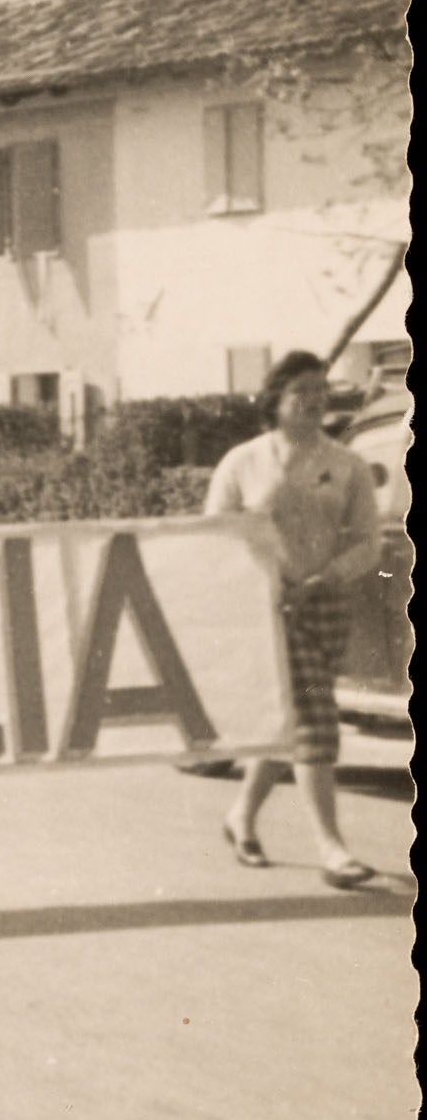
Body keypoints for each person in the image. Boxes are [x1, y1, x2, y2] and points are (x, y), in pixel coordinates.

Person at [208, 351, 384, 891]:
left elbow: (368, 542)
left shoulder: (348, 464)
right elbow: (214, 536)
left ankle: (241, 816)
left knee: (291, 723)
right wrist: (260, 582)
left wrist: (329, 576)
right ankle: (332, 849)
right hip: (266, 611)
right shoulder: (243, 462)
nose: (313, 400)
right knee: (315, 720)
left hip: (324, 605)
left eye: (320, 389)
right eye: (300, 390)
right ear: (275, 399)